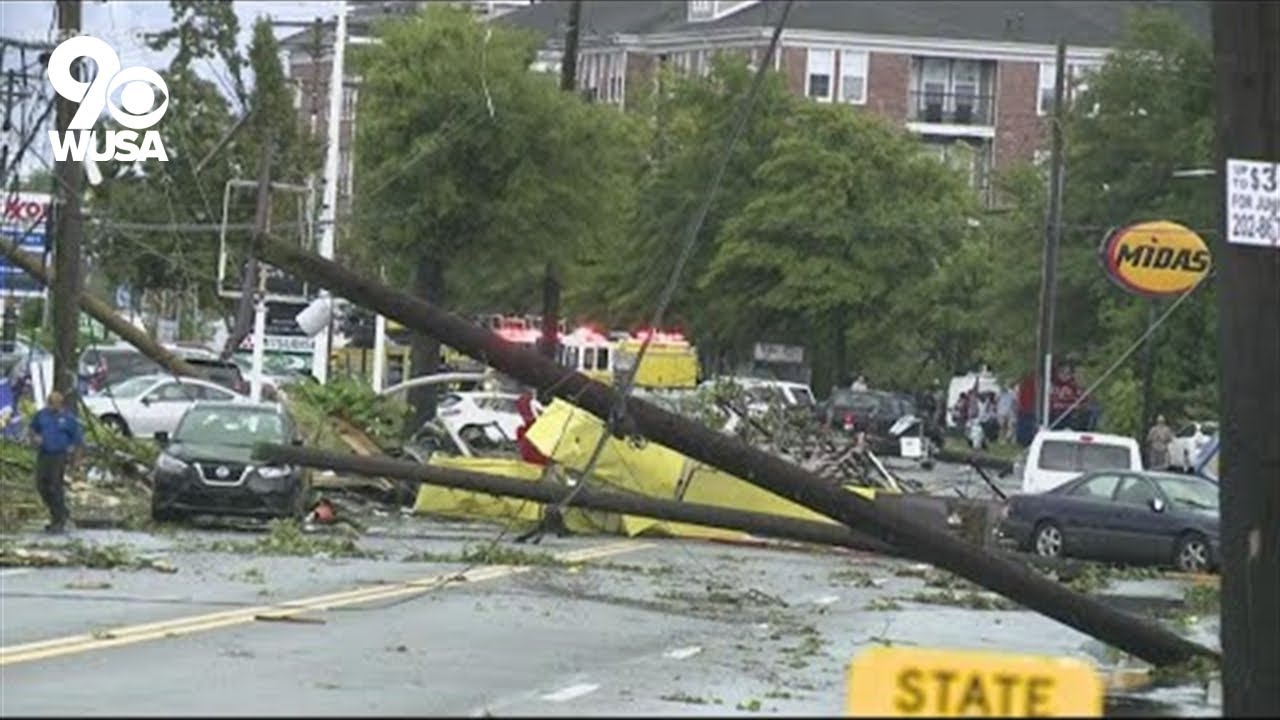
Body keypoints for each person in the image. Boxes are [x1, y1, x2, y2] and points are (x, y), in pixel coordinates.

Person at [28, 391, 84, 534]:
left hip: (59, 455)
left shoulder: (68, 419)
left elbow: (78, 440)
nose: (53, 406)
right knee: (41, 485)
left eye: (56, 404)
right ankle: (60, 511)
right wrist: (35, 438)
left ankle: (58, 520)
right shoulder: (41, 415)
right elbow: (32, 429)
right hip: (44, 453)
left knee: (55, 485)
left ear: (61, 403)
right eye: (51, 403)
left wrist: (76, 460)